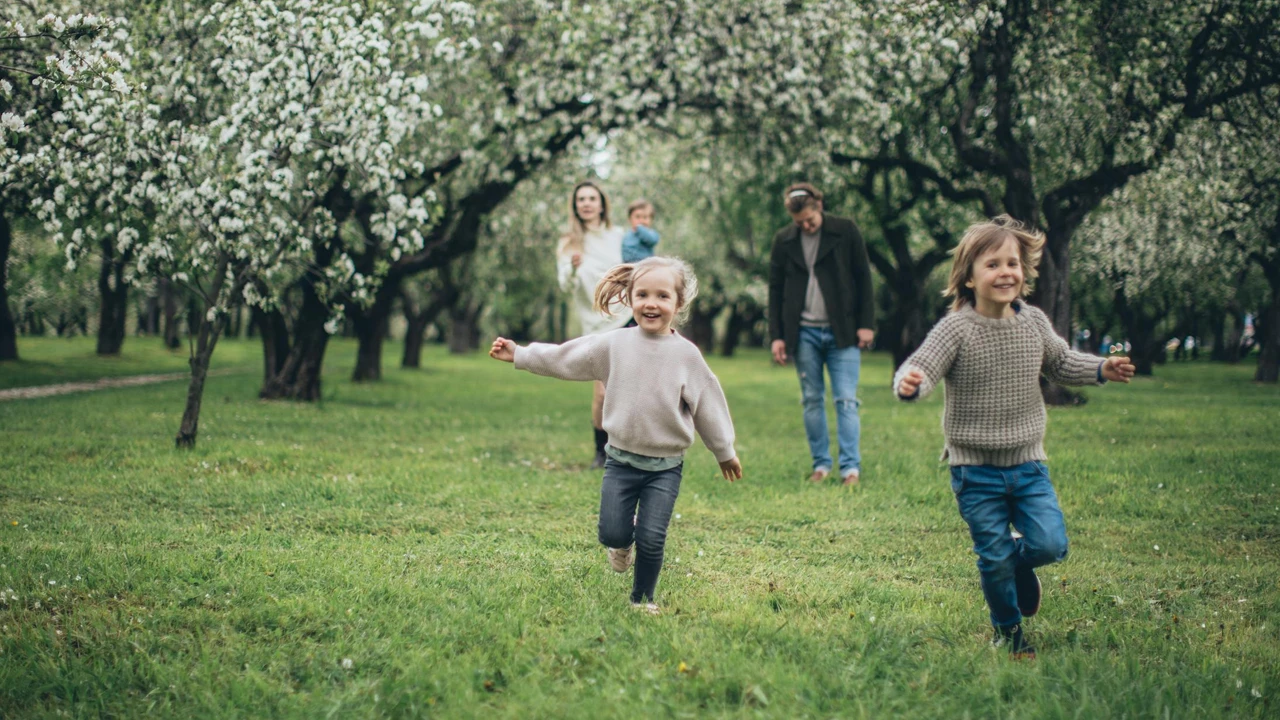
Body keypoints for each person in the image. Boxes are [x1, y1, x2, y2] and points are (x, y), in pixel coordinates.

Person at [892, 215, 1136, 658]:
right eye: (993, 264)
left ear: (1024, 271)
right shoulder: (956, 329)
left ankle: (1020, 568)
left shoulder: (1034, 323)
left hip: (1028, 465)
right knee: (993, 556)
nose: (1006, 272)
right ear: (969, 277)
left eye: (1013, 263)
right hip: (974, 470)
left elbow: (1061, 363)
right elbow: (923, 366)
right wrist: (911, 383)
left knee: (1050, 543)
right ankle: (1009, 632)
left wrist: (1101, 368)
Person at [490, 256, 743, 613]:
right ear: (629, 298)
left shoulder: (687, 356)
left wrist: (724, 450)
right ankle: (621, 543)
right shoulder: (614, 345)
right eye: (642, 295)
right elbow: (565, 357)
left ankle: (642, 600)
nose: (651, 303)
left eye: (662, 296)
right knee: (612, 533)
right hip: (620, 462)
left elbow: (708, 406)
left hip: (665, 467)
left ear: (678, 303)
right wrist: (521, 354)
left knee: (652, 539)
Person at [767, 182, 875, 486]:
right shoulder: (785, 240)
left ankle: (850, 469)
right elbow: (775, 290)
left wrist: (866, 324)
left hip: (843, 331)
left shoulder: (845, 230)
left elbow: (863, 277)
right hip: (803, 333)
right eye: (799, 222)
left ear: (819, 207)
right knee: (812, 399)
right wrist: (777, 335)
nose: (806, 226)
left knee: (845, 399)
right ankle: (821, 465)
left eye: (810, 219)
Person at [557, 180, 629, 468]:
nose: (586, 203)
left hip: (627, 317)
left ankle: (628, 450)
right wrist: (573, 269)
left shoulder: (618, 235)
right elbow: (565, 285)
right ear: (575, 206)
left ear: (602, 204)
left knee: (628, 388)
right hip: (596, 324)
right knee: (602, 392)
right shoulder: (568, 242)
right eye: (581, 199)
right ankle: (602, 452)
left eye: (591, 198)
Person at [622, 199, 660, 263]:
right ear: (630, 219)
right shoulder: (626, 236)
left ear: (651, 220)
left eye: (645, 217)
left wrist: (640, 228)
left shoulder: (651, 233)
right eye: (637, 217)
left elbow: (652, 240)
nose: (641, 221)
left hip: (646, 267)